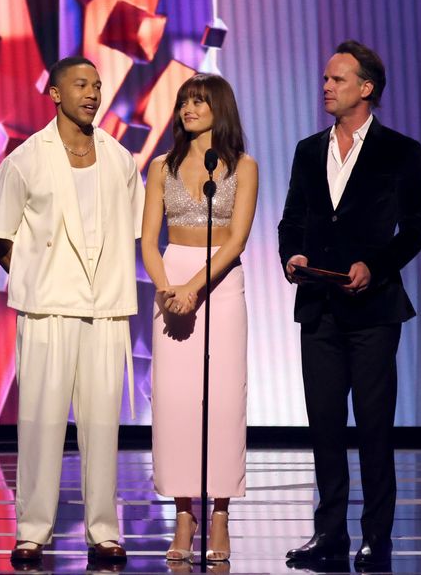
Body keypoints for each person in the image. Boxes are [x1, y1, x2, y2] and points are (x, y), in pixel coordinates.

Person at [0, 56, 145, 566]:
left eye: (98, 85)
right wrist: (34, 278)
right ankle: (32, 531)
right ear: (55, 93)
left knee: (103, 426)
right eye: (81, 84)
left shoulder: (121, 161)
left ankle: (104, 530)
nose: (93, 93)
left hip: (106, 310)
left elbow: (131, 229)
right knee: (40, 423)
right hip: (48, 309)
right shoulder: (27, 159)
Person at [278, 40, 421, 568]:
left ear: (366, 88)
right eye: (325, 79)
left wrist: (377, 265)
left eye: (337, 79)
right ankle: (329, 536)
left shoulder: (400, 151)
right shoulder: (306, 149)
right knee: (323, 426)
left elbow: (416, 227)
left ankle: (376, 537)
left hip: (374, 312)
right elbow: (290, 219)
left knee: (372, 426)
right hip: (318, 307)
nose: (326, 86)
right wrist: (291, 255)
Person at [142, 73, 258, 563]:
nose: (189, 109)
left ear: (219, 109)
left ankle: (220, 515)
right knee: (175, 401)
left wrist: (194, 287)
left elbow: (236, 240)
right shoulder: (160, 166)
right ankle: (184, 514)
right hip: (173, 281)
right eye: (185, 101)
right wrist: (169, 288)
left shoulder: (243, 166)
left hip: (221, 283)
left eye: (199, 102)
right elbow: (148, 241)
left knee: (223, 399)